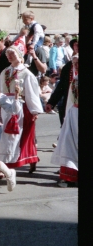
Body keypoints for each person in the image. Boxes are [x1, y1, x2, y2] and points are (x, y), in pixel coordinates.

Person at [0, 39, 44, 174]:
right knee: (3, 136)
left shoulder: (26, 73)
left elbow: (32, 93)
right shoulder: (5, 71)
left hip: (19, 107)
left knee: (13, 136)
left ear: (20, 55)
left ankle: (7, 166)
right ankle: (5, 163)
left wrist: (34, 111)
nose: (10, 56)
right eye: (8, 54)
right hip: (5, 106)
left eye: (13, 54)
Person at [50, 54, 78, 187]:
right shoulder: (75, 79)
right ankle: (70, 176)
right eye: (75, 64)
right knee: (68, 144)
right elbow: (67, 94)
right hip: (73, 114)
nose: (76, 66)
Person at [46, 38, 78, 127]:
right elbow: (61, 87)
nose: (77, 47)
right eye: (75, 45)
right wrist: (51, 102)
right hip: (70, 102)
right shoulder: (68, 67)